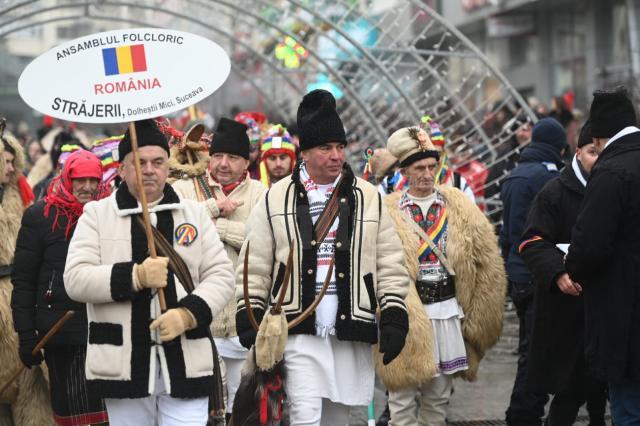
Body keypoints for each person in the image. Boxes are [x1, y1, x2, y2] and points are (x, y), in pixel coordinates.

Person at [237, 89, 410, 425]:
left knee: (339, 418)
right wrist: (250, 311)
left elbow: (389, 262)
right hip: (296, 327)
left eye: (340, 148)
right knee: (304, 414)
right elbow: (255, 262)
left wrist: (393, 313)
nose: (336, 156)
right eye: (326, 148)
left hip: (350, 328)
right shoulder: (276, 197)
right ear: (305, 152)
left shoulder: (368, 197)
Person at [63, 119, 235, 425]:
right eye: (139, 162)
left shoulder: (193, 213)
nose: (149, 170)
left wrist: (188, 314)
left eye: (158, 162)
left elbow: (221, 275)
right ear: (121, 169)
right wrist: (135, 277)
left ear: (168, 167)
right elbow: (75, 279)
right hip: (123, 364)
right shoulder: (97, 215)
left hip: (186, 358)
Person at [380, 126, 506, 425]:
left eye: (431, 167)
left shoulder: (459, 205)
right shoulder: (388, 209)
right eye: (419, 167)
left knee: (437, 400)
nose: (426, 173)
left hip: (447, 311)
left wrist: (479, 314)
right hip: (406, 315)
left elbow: (485, 258)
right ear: (405, 172)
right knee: (401, 400)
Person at [172, 116, 265, 419]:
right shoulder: (187, 189)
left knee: (244, 406)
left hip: (244, 321)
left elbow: (261, 244)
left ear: (247, 160)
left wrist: (217, 228)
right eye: (217, 156)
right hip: (201, 320)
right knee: (207, 409)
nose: (223, 164)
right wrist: (212, 208)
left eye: (233, 157)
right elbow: (176, 229)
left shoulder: (261, 195)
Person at [11, 150, 109, 425]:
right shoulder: (40, 216)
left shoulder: (110, 213)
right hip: (61, 331)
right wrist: (26, 333)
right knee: (72, 413)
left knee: (110, 414)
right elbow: (24, 280)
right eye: (81, 179)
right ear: (67, 178)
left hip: (105, 328)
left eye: (93, 179)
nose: (88, 187)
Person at [519, 121, 607, 425]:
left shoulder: (619, 188)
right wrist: (557, 273)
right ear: (578, 152)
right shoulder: (554, 192)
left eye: (604, 151)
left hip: (607, 309)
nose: (599, 158)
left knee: (605, 390)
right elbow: (532, 241)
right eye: (594, 151)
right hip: (564, 310)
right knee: (567, 392)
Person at [565, 87, 640, 424]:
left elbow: (590, 245)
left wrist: (571, 267)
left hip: (625, 319)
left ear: (597, 135)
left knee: (628, 408)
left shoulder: (612, 172)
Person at [501, 117, 568, 425]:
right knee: (535, 351)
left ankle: (524, 411)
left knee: (529, 348)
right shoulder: (548, 178)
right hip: (536, 273)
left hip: (517, 273)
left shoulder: (515, 175)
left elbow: (507, 234)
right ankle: (523, 414)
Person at [0, 126, 52, 426]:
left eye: (12, 161)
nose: (11, 168)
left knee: (28, 380)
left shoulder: (20, 195)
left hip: (18, 296)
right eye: (5, 162)